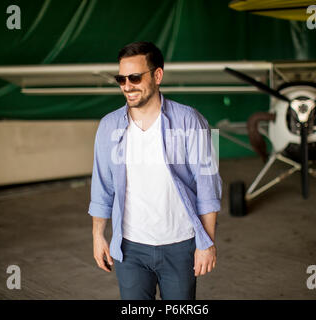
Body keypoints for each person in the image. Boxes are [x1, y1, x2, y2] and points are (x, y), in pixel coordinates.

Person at [88, 41, 222, 300]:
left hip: (181, 244)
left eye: (135, 77)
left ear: (157, 75)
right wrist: (98, 236)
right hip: (130, 248)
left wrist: (207, 243)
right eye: (121, 79)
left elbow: (209, 185)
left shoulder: (192, 120)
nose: (127, 86)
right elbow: (102, 187)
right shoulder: (107, 126)